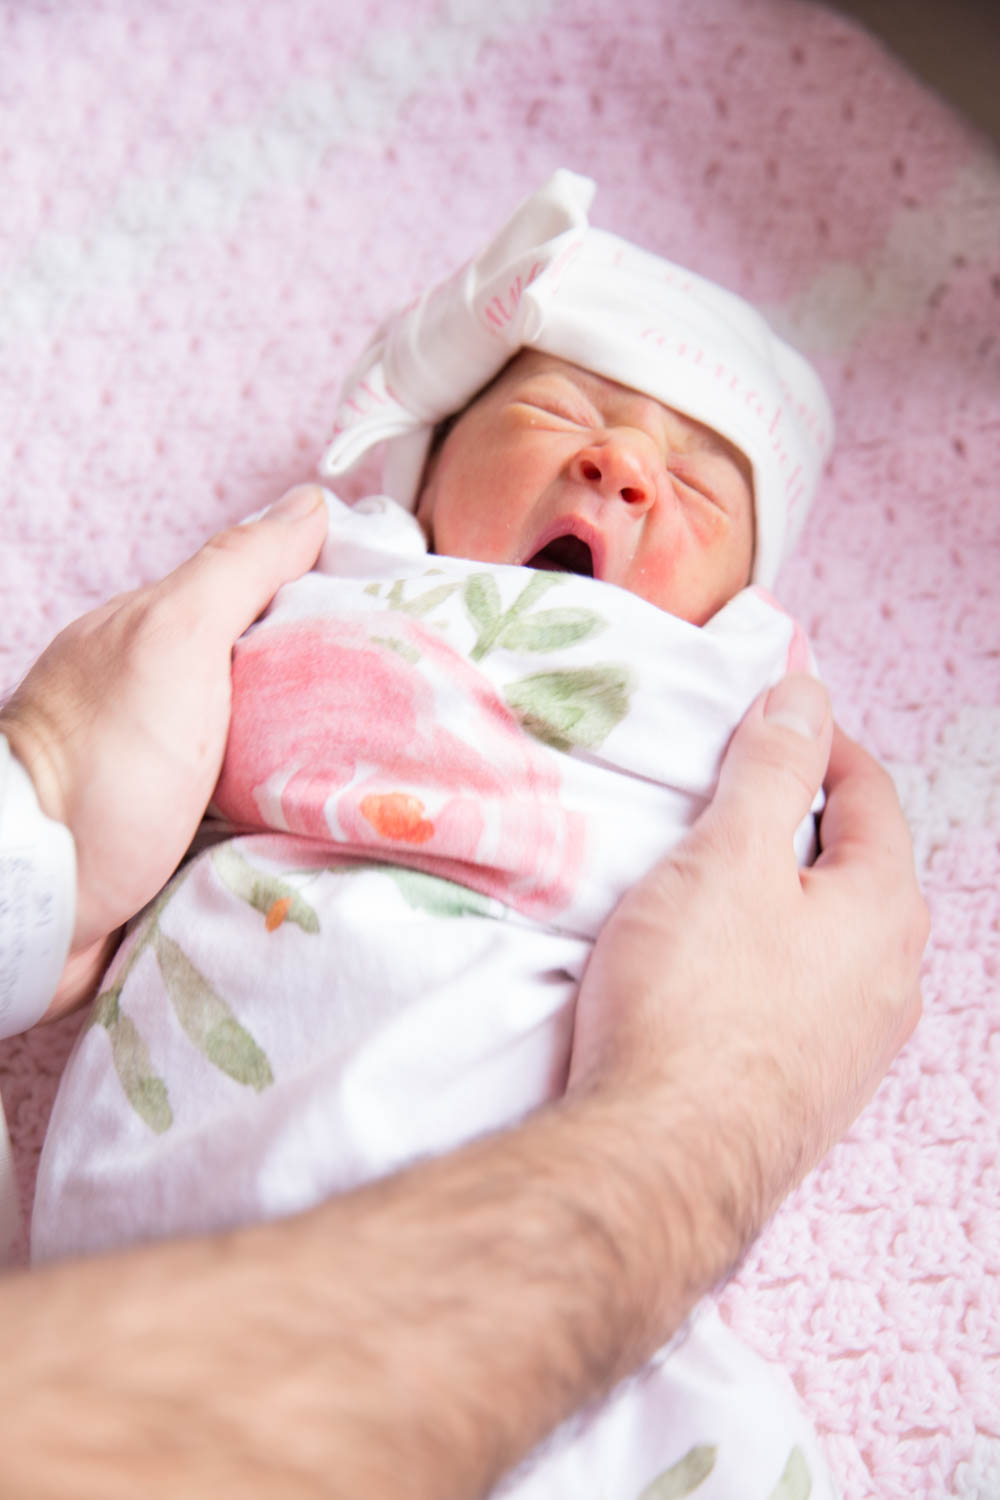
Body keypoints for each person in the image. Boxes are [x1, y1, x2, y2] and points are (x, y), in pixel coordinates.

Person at [27, 173, 871, 1496]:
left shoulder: (732, 696)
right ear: (422, 473)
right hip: (201, 1200)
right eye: (557, 411)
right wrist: (48, 791)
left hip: (537, 1141)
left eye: (700, 487)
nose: (621, 464)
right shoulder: (346, 585)